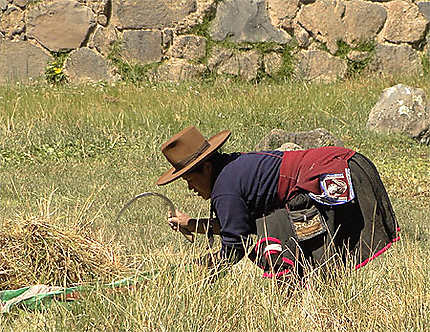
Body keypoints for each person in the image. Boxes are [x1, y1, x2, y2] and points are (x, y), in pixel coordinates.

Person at [156, 126, 400, 280]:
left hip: (335, 173)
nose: (190, 188)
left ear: (206, 167)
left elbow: (235, 247)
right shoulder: (230, 169)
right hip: (346, 162)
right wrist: (192, 224)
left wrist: (199, 271)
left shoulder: (225, 189)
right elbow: (241, 226)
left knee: (316, 265)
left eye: (189, 179)